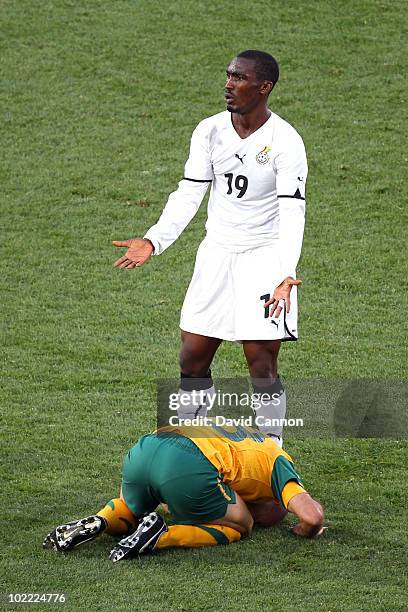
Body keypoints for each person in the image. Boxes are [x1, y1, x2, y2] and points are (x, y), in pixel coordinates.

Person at [112, 50, 308, 445]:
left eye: (239, 77)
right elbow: (189, 193)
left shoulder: (286, 142)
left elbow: (292, 212)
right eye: (228, 75)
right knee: (192, 357)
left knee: (261, 364)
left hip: (263, 258)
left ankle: (271, 454)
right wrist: (154, 240)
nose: (228, 84)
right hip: (216, 255)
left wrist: (285, 273)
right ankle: (190, 445)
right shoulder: (210, 131)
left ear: (264, 86)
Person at [43, 423, 324, 561]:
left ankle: (101, 520)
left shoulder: (248, 440)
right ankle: (162, 537)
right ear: (278, 500)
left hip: (146, 448)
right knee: (242, 525)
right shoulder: (280, 462)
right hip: (187, 465)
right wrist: (304, 530)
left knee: (131, 507)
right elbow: (312, 517)